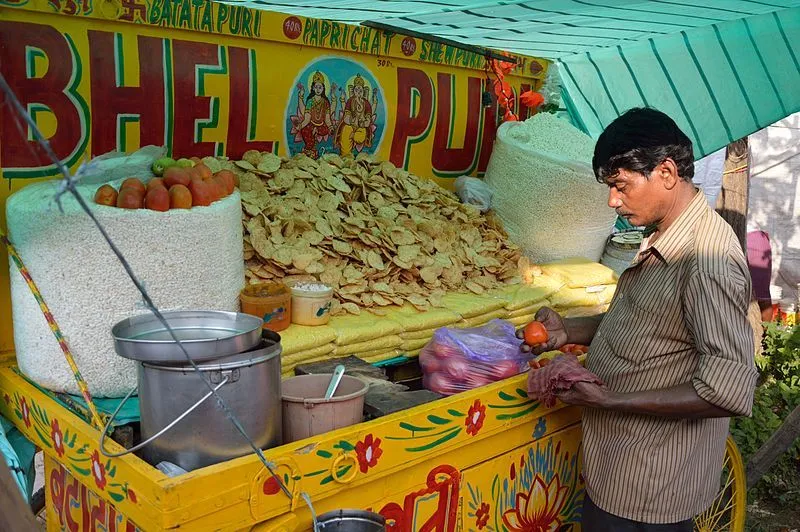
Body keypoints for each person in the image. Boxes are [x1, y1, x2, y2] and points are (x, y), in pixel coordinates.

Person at [521, 108, 758, 530]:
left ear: (665, 172)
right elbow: (647, 327)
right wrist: (567, 332)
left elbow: (726, 392)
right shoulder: (663, 233)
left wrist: (611, 400)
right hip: (619, 465)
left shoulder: (708, 261)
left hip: (649, 483)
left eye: (620, 186)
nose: (613, 200)